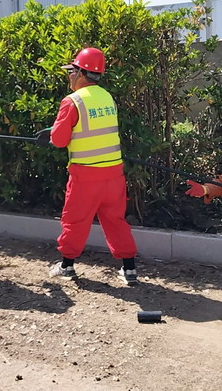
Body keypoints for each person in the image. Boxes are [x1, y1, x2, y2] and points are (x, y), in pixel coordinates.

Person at [36, 47, 139, 286]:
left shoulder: (72, 101)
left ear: (81, 73)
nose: (69, 77)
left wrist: (52, 134)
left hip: (85, 175)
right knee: (116, 221)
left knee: (75, 221)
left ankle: (66, 266)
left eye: (71, 72)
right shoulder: (107, 97)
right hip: (114, 174)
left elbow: (59, 140)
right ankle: (129, 270)